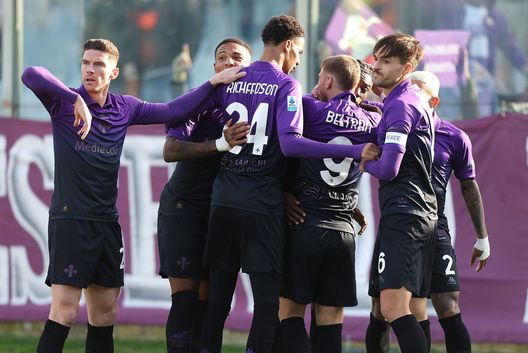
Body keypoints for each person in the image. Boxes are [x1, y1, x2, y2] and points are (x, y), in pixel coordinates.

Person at [20, 38, 245, 353]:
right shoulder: (63, 103)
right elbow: (31, 73)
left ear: (113, 72)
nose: (90, 69)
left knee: (104, 314)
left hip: (106, 224)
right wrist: (72, 97)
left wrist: (212, 82)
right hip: (71, 218)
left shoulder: (124, 107)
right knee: (65, 310)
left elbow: (172, 110)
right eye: (86, 63)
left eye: (99, 64)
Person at [193, 15, 379, 353]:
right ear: (288, 45)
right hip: (264, 204)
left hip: (224, 199)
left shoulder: (230, 79)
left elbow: (187, 114)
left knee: (217, 302)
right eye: (299, 52)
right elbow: (291, 144)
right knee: (268, 305)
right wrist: (354, 149)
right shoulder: (287, 85)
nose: (297, 62)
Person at [279, 54, 380, 353]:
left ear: (327, 80)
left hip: (303, 221)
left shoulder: (309, 107)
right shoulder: (373, 119)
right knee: (330, 320)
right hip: (342, 230)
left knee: (289, 314)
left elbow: (285, 140)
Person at [157, 37, 252, 353]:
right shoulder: (200, 101)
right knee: (185, 302)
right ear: (214, 68)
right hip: (184, 207)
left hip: (223, 211)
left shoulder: (262, 106)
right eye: (221, 57)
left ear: (250, 68)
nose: (228, 62)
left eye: (236, 57)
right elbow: (170, 150)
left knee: (213, 308)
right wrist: (219, 145)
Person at [359, 33, 437, 353]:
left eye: (386, 61)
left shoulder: (401, 105)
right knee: (396, 308)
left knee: (391, 308)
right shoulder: (406, 98)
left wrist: (363, 163)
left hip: (405, 214)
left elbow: (388, 168)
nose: (376, 66)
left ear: (406, 68)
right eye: (376, 58)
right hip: (417, 214)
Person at [411, 70, 490, 353]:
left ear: (434, 101)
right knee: (394, 308)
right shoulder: (392, 125)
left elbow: (469, 185)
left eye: (417, 92)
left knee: (448, 305)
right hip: (399, 226)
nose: (409, 97)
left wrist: (482, 237)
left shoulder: (454, 137)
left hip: (435, 226)